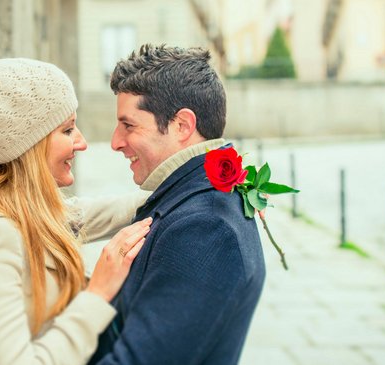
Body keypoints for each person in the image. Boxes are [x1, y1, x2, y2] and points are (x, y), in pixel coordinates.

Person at [0, 58, 151, 365]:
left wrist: (192, 175)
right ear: (27, 145)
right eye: (67, 130)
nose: (82, 143)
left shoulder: (21, 213)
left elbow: (105, 211)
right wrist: (98, 294)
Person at [89, 44, 266, 365]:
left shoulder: (206, 229)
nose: (115, 142)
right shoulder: (196, 196)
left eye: (129, 125)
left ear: (182, 125)